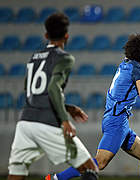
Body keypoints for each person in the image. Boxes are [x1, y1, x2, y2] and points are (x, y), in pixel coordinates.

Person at [46, 33, 140, 180]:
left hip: (116, 120)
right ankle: (56, 178)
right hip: (116, 122)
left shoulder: (126, 63)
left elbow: (134, 70)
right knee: (99, 163)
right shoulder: (138, 70)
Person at [7, 13, 99, 180]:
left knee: (16, 174)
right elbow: (53, 88)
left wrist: (67, 107)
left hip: (25, 123)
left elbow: (35, 93)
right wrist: (64, 119)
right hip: (47, 122)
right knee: (90, 169)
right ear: (67, 36)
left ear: (46, 36)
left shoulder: (33, 58)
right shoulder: (64, 58)